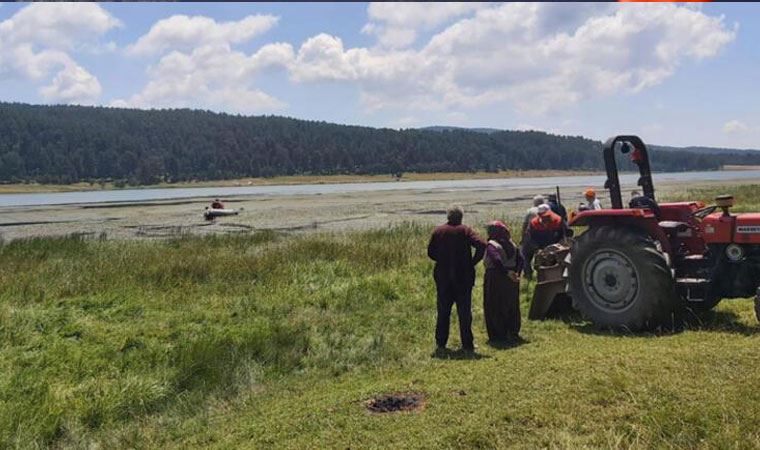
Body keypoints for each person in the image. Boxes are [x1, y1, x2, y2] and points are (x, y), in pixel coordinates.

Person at [427, 206, 486, 352]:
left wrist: (442, 260)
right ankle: (467, 344)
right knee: (464, 312)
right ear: (461, 217)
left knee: (443, 311)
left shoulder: (438, 231)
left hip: (443, 277)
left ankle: (441, 343)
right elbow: (482, 245)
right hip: (463, 277)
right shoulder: (465, 230)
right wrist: (471, 262)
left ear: (448, 216)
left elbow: (430, 252)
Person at [483, 221, 523, 343]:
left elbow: (496, 260)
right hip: (512, 278)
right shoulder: (513, 244)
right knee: (512, 304)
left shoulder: (492, 245)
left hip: (495, 277)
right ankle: (512, 331)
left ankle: (498, 334)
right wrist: (516, 273)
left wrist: (505, 272)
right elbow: (521, 259)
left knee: (494, 305)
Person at [523, 204, 566, 279]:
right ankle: (529, 275)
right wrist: (537, 249)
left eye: (547, 217)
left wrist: (561, 244)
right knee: (526, 254)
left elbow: (567, 234)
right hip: (540, 246)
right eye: (543, 217)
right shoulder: (534, 223)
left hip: (556, 246)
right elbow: (530, 238)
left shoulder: (558, 221)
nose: (545, 219)